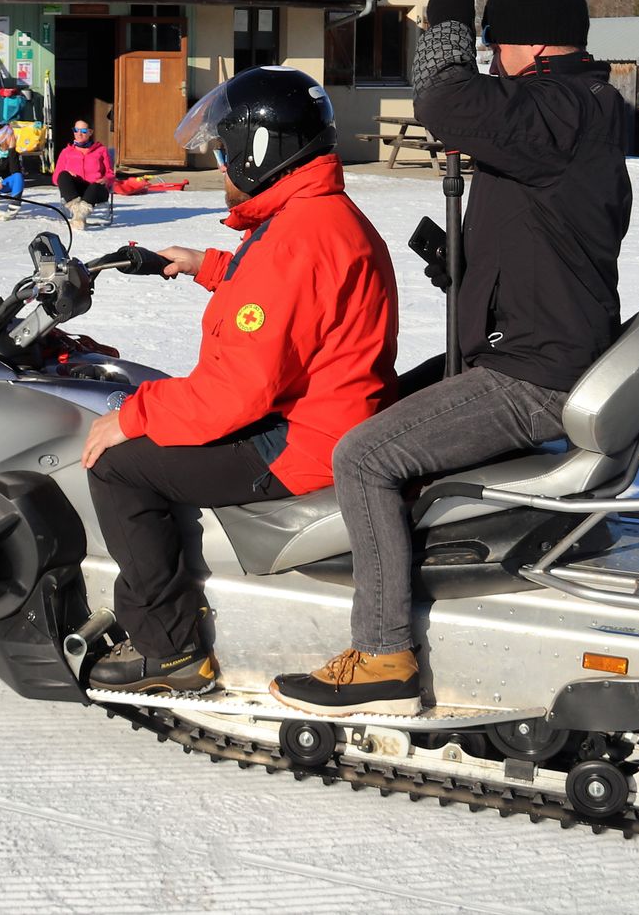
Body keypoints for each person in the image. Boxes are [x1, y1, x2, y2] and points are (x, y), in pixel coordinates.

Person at [272, 0, 632, 717]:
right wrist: (467, 275)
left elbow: (443, 101)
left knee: (364, 454)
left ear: (529, 45)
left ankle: (383, 653)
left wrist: (449, 25)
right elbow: (541, 230)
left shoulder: (560, 106)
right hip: (531, 341)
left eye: (497, 45)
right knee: (370, 406)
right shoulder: (574, 109)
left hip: (535, 370)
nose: (493, 58)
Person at [80, 67, 399, 694]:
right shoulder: (315, 214)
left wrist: (133, 416)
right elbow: (295, 304)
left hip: (298, 440)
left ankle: (167, 649)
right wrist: (211, 266)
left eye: (226, 151)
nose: (220, 165)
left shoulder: (297, 239)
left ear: (262, 153)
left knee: (117, 465)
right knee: (160, 424)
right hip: (329, 412)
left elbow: (237, 392)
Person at [52, 120, 115, 231]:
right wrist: (68, 174)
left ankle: (78, 216)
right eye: (76, 130)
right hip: (76, 190)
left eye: (84, 131)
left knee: (95, 186)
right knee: (63, 175)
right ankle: (78, 213)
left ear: (90, 132)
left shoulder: (101, 150)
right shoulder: (66, 152)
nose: (79, 134)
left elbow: (110, 173)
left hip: (96, 189)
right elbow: (56, 178)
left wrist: (105, 179)